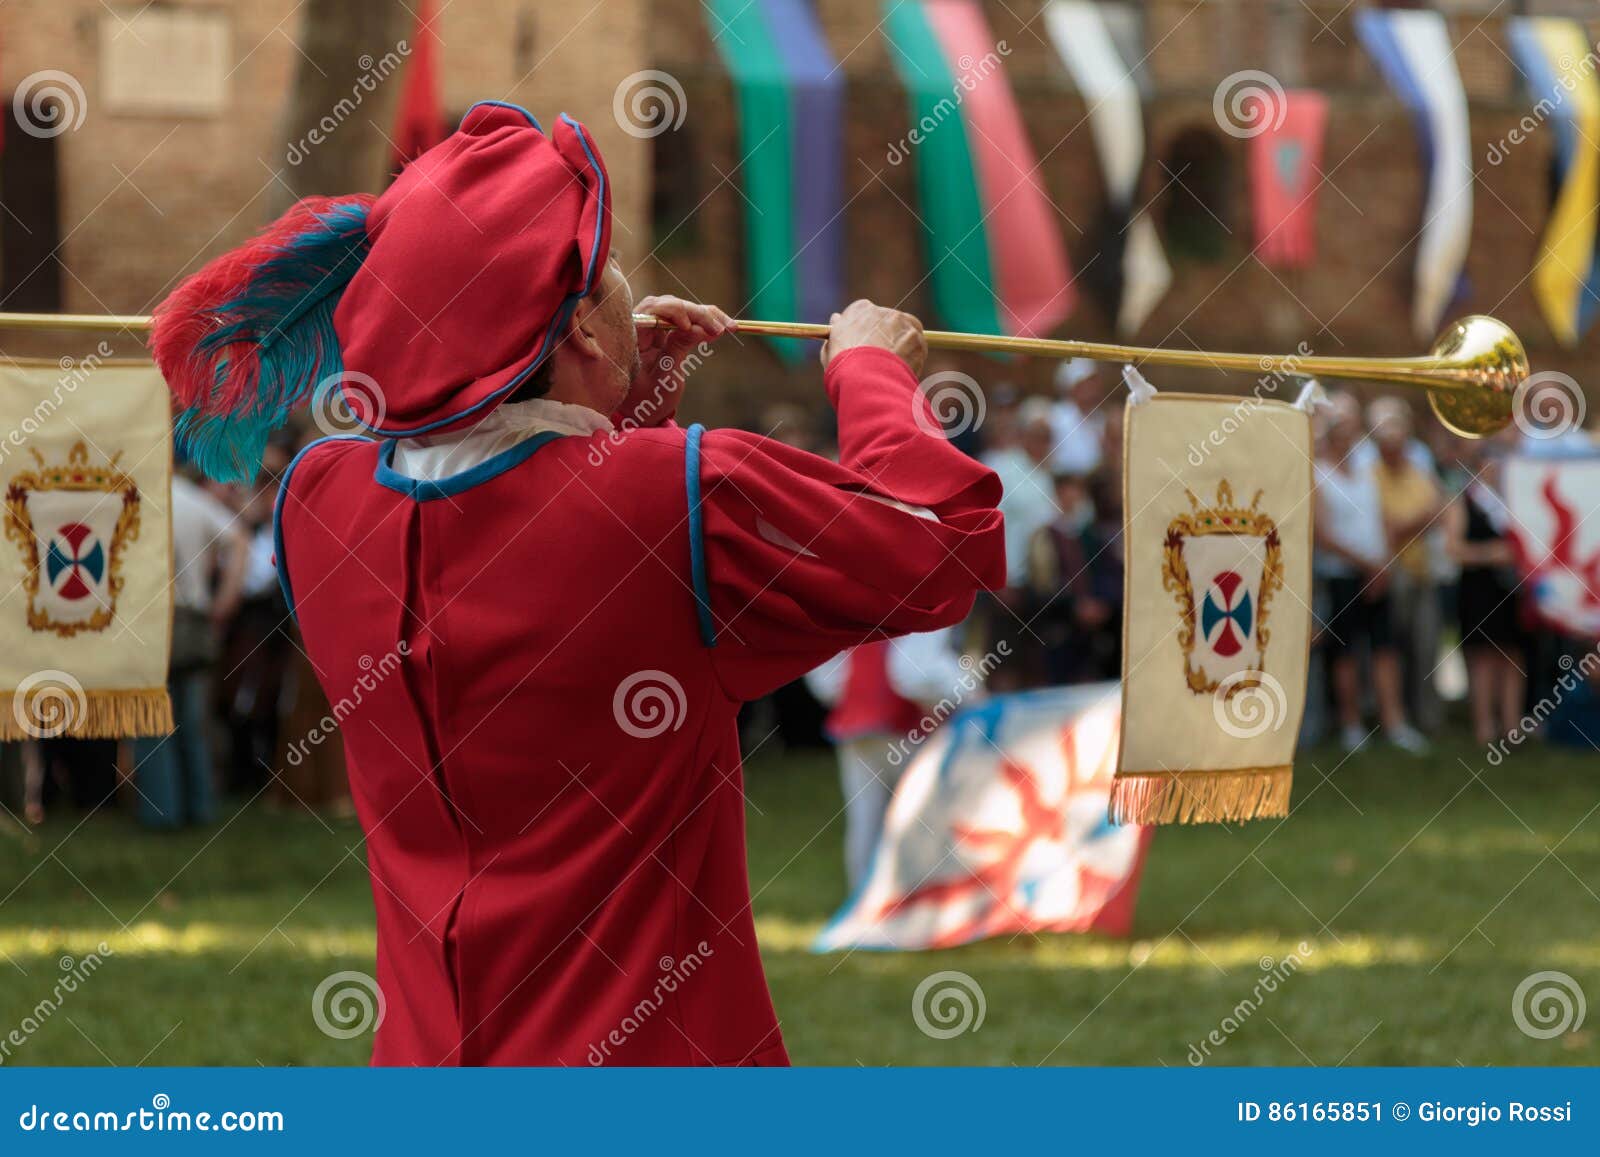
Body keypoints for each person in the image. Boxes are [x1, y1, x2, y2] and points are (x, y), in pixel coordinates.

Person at [151, 103, 1005, 1066]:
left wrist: (615, 417)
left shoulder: (320, 499)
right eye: (607, 287)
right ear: (584, 338)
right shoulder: (674, 496)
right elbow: (940, 546)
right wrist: (872, 377)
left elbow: (515, 551)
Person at [806, 630, 972, 890]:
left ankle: (867, 903)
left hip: (863, 721)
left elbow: (824, 678)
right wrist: (963, 696)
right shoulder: (921, 601)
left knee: (869, 822)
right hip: (905, 725)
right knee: (914, 821)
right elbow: (917, 674)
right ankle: (903, 901)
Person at [1312, 393, 1428, 754]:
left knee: (1385, 648)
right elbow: (1323, 536)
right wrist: (1368, 566)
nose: (1346, 432)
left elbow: (1381, 517)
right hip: (1341, 574)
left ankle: (1393, 722)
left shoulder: (1365, 466)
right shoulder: (1316, 471)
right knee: (1345, 652)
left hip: (1377, 572)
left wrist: (1383, 565)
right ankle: (1350, 724)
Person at [133, 462, 248, 828]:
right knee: (192, 721)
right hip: (194, 619)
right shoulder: (194, 500)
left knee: (152, 720)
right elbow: (240, 539)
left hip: (150, 621)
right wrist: (226, 600)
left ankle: (160, 814)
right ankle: (200, 808)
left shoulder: (136, 498)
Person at [1368, 399, 1445, 733]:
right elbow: (1388, 527)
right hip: (1390, 574)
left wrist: (1414, 523)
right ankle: (1392, 716)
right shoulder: (1370, 477)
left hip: (1421, 572)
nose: (1395, 450)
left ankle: (1427, 717)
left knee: (1426, 646)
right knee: (1392, 648)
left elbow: (1439, 512)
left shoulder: (1418, 471)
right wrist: (1420, 521)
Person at [1444, 441, 1526, 745]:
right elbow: (1453, 549)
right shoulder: (1464, 500)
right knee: (1483, 659)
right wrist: (1491, 554)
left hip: (1511, 589)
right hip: (1479, 590)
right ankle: (1484, 727)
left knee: (1513, 656)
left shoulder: (1514, 500)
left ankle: (1512, 725)